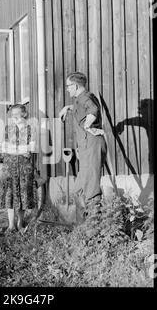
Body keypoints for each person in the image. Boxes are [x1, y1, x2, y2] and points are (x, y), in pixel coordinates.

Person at [59, 72, 107, 218]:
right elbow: (82, 108)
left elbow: (93, 110)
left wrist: (87, 125)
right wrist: (67, 108)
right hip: (87, 145)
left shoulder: (85, 97)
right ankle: (84, 221)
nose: (67, 89)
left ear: (75, 85)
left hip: (91, 144)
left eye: (68, 86)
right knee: (80, 186)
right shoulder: (81, 98)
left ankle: (95, 224)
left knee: (91, 185)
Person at [0, 104, 37, 234]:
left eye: (17, 114)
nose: (14, 117)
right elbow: (3, 148)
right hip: (9, 166)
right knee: (9, 194)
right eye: (12, 114)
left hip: (24, 167)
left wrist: (13, 150)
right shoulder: (8, 129)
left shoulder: (31, 129)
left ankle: (20, 223)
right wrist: (19, 150)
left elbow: (31, 149)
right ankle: (10, 225)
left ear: (24, 114)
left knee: (22, 195)